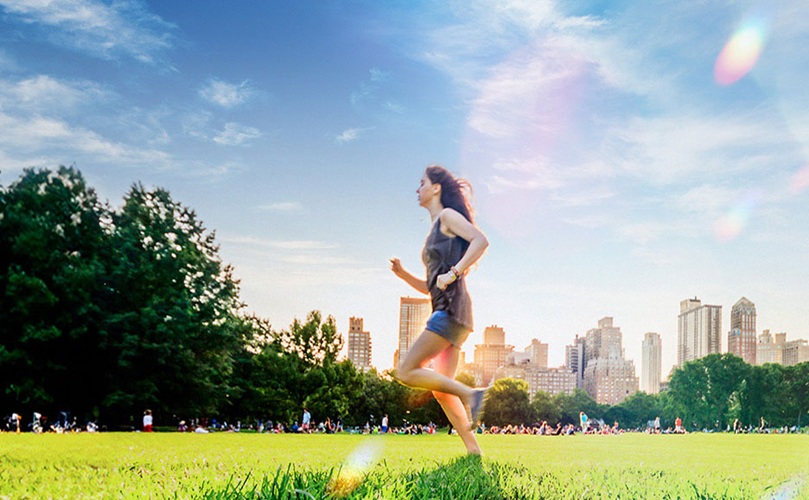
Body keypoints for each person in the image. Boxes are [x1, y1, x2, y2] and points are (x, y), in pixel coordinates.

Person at [392, 165, 489, 456]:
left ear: (436, 188)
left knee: (406, 371)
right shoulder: (436, 228)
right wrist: (403, 275)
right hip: (452, 311)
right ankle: (474, 451)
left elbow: (481, 241)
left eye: (422, 183)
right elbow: (430, 287)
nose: (417, 188)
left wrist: (456, 272)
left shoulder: (447, 217)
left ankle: (470, 393)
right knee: (440, 390)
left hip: (450, 310)